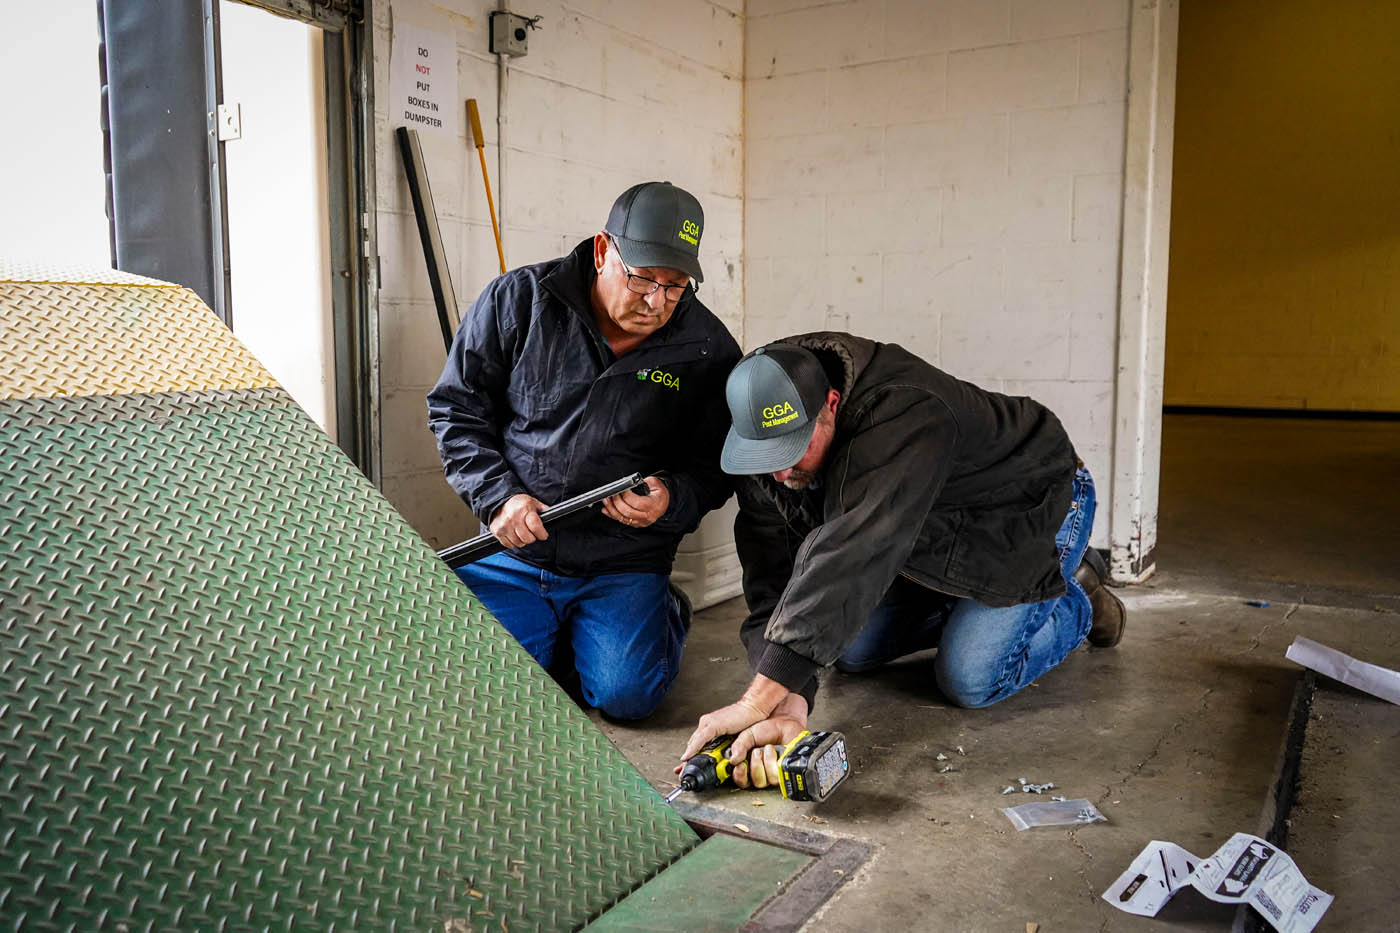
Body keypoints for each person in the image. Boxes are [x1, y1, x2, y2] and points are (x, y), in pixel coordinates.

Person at [678, 331, 1126, 786]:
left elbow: (853, 553)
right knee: (848, 651)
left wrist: (754, 703)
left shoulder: (904, 410)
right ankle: (973, 609)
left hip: (1029, 506)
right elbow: (773, 583)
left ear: (831, 404)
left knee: (969, 678)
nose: (781, 470)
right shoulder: (765, 448)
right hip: (924, 531)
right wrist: (791, 695)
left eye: (795, 447)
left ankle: (1073, 594)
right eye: (767, 454)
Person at [428, 181, 742, 719]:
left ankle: (660, 612)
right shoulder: (518, 300)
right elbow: (457, 411)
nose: (656, 301)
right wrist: (499, 498)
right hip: (516, 553)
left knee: (628, 698)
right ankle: (565, 638)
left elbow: (719, 460)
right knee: (482, 695)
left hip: (623, 560)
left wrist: (673, 498)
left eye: (675, 286)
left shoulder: (707, 347)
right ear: (603, 250)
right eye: (643, 278)